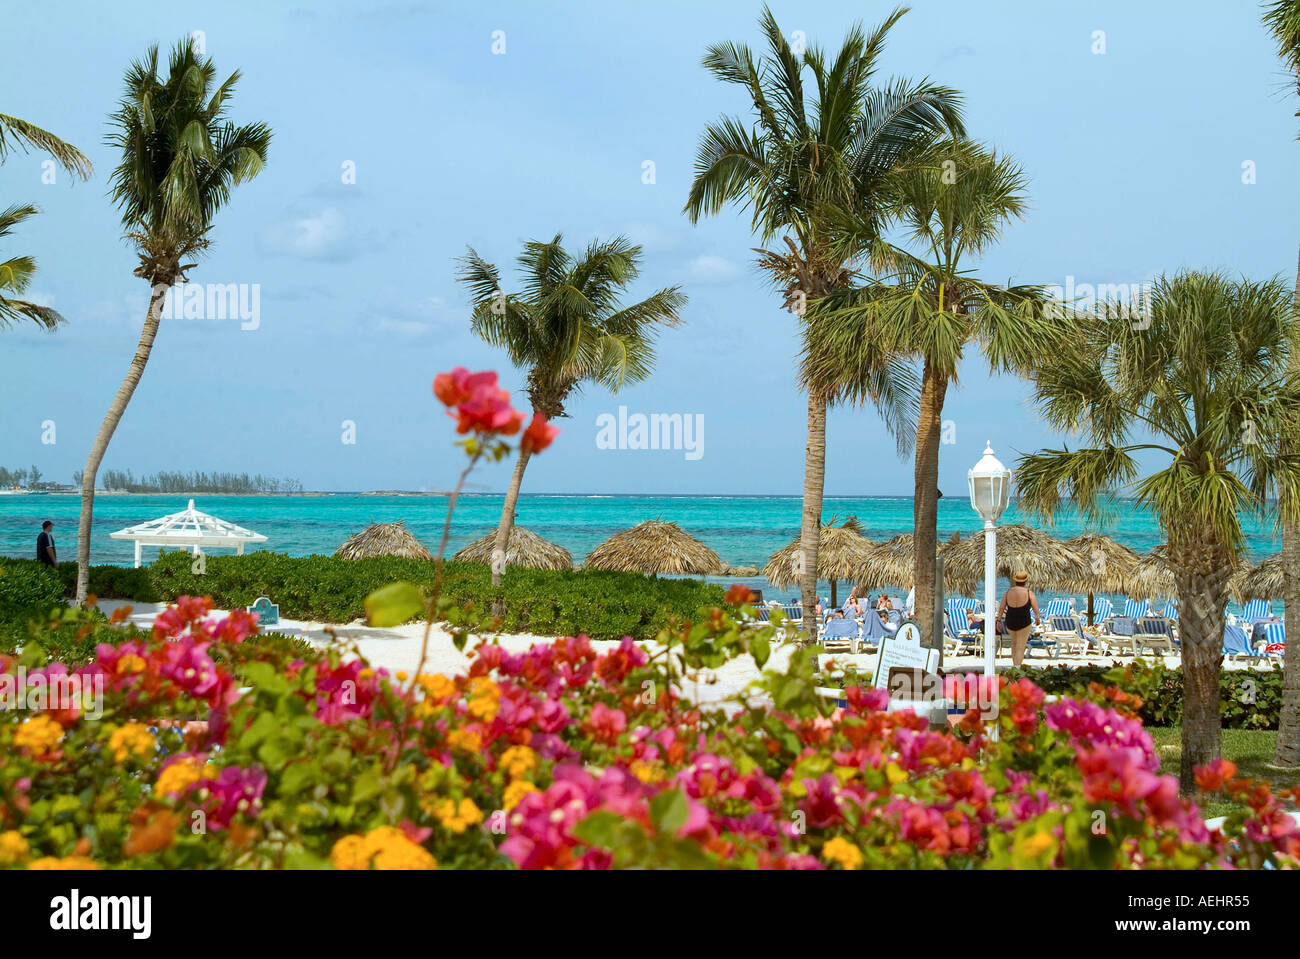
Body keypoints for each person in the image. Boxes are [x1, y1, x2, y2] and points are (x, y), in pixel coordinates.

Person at [997, 568, 1041, 667]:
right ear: (1026, 581)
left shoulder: (1008, 592)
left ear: (1015, 580)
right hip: (1024, 620)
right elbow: (1035, 609)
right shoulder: (1029, 593)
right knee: (1021, 646)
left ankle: (1014, 665)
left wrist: (999, 620)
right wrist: (1038, 619)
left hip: (1010, 620)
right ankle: (1017, 667)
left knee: (1014, 644)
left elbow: (1001, 607)